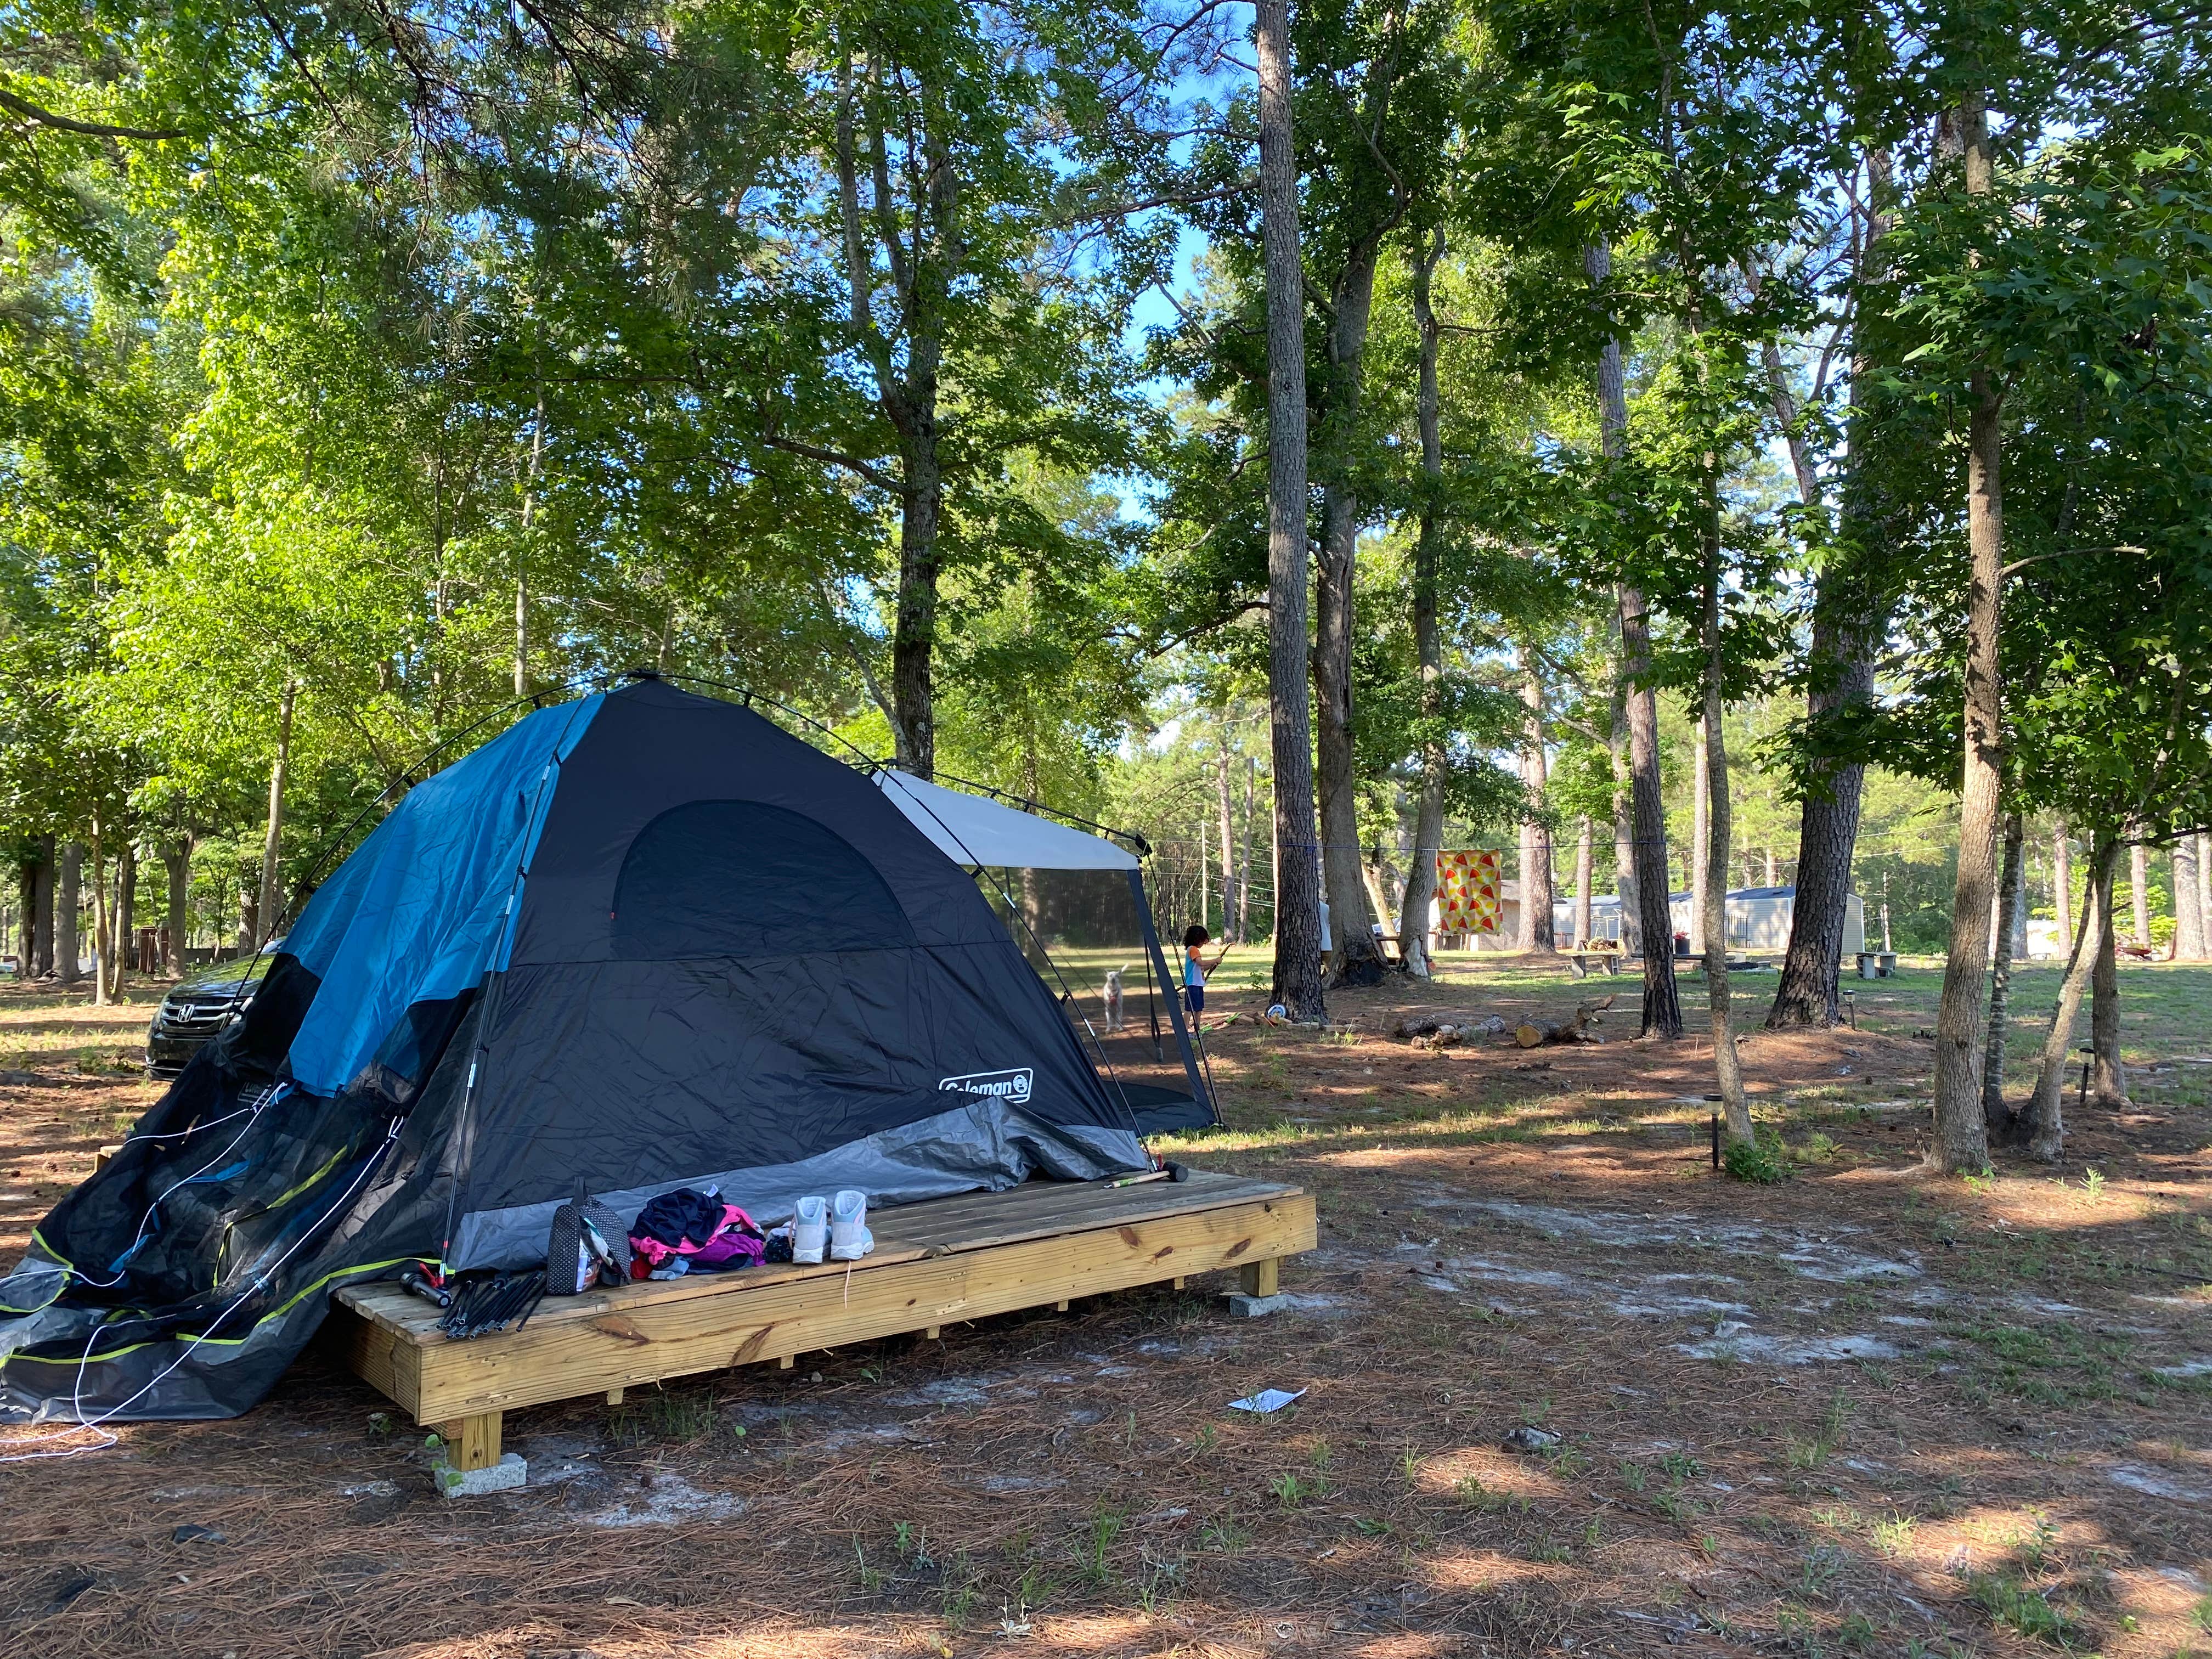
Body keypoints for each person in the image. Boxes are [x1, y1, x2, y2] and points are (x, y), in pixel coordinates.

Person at [1182, 923, 1228, 1018]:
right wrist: (1215, 960)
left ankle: (1197, 1031)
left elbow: (1201, 968)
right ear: (1197, 939)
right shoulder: (1193, 949)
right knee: (1189, 1010)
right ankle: (1185, 1031)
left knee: (1198, 1009)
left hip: (1197, 984)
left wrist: (1212, 965)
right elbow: (1201, 963)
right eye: (1203, 941)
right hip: (1193, 985)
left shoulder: (1193, 950)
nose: (1203, 943)